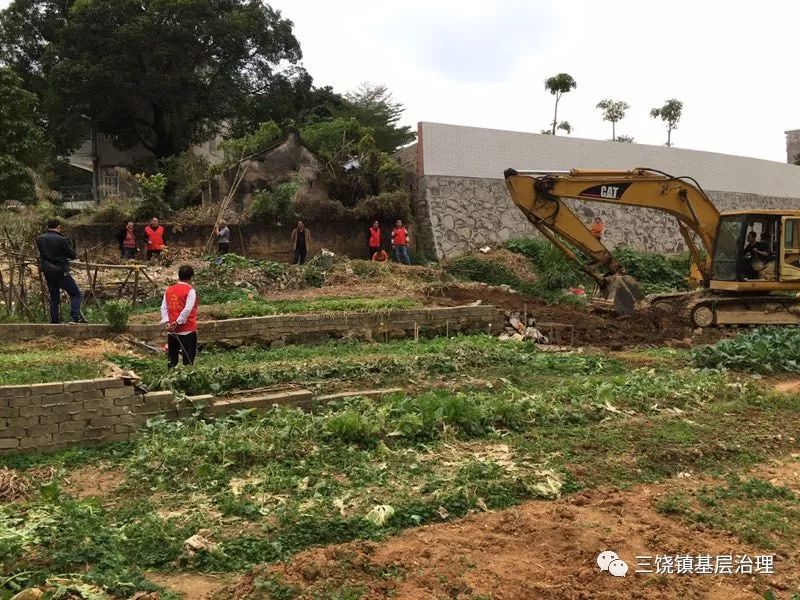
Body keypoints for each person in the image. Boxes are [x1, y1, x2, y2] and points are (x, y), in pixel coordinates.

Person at [36, 219, 85, 324]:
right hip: (61, 270)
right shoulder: (62, 239)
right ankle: (75, 317)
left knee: (54, 297)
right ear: (58, 227)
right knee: (76, 294)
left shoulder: (40, 239)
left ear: (47, 227)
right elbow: (72, 255)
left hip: (48, 271)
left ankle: (54, 321)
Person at [160, 265, 198, 368]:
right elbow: (187, 309)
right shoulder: (190, 291)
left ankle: (170, 379)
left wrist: (168, 322)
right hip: (187, 329)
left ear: (179, 276)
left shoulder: (169, 290)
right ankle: (188, 378)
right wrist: (178, 322)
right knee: (188, 360)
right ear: (191, 277)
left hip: (172, 331)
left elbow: (164, 308)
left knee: (172, 359)